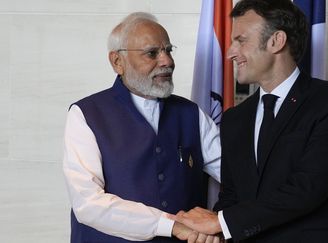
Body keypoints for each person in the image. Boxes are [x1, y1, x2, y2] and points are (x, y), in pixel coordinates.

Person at [173, 0, 328, 242]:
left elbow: (307, 188)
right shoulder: (234, 118)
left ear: (276, 41)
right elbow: (231, 196)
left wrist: (220, 222)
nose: (230, 52)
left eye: (240, 40)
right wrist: (214, 231)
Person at [62, 12, 222, 242]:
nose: (167, 61)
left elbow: (236, 176)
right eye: (152, 53)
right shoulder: (85, 115)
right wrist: (170, 225)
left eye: (168, 50)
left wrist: (224, 223)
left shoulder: (191, 113)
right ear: (118, 62)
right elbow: (88, 203)